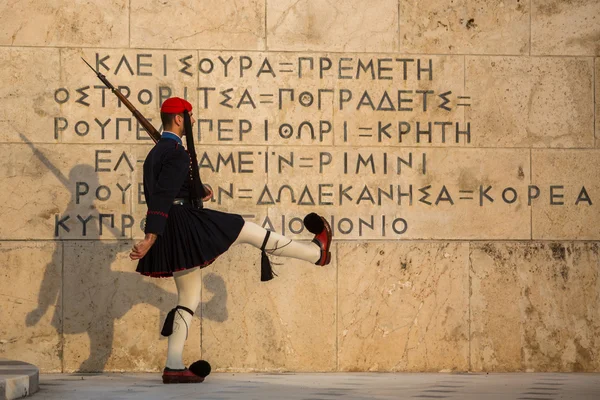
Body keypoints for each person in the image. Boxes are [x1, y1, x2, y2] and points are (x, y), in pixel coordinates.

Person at [129, 97, 332, 384]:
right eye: (191, 117)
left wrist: (200, 189)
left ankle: (173, 365)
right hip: (182, 224)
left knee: (188, 298)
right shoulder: (175, 152)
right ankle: (316, 253)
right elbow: (162, 196)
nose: (194, 121)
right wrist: (150, 237)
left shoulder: (156, 154)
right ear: (179, 119)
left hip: (173, 227)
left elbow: (171, 188)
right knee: (244, 228)